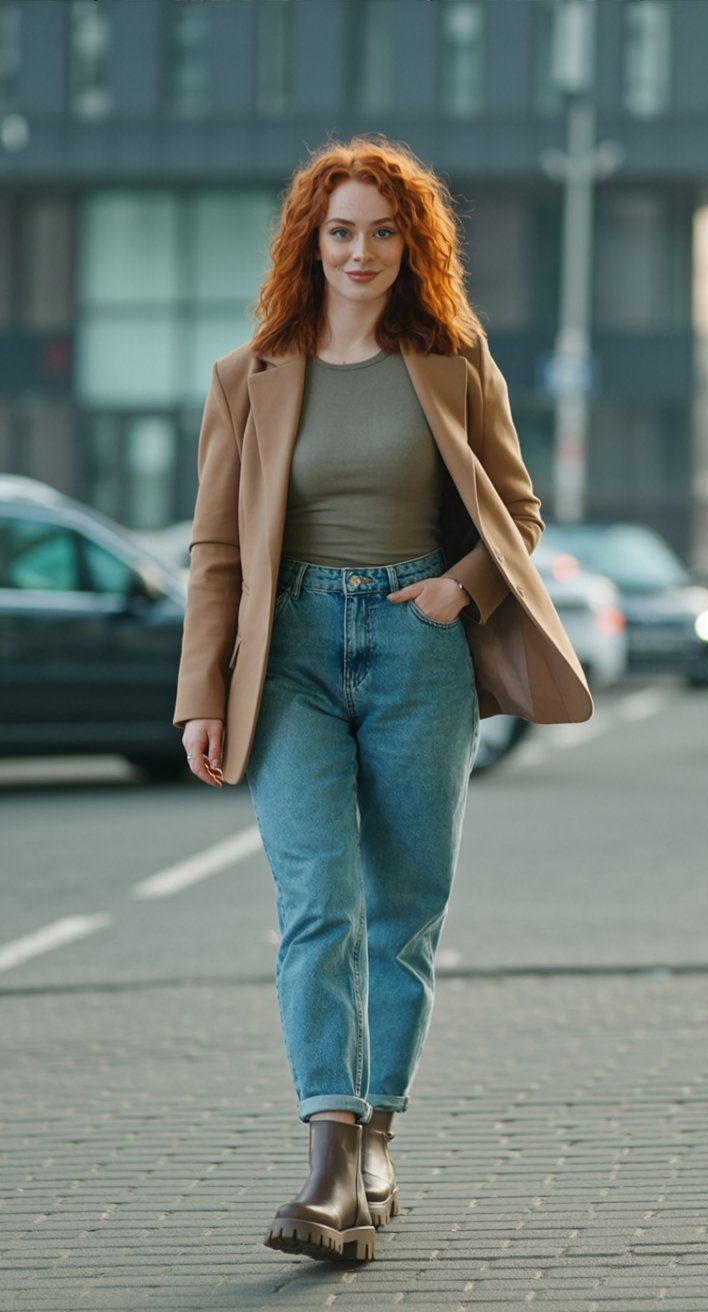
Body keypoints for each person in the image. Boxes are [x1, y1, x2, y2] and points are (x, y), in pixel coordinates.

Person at [173, 133, 593, 1265]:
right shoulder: (248, 377)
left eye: (384, 231)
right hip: (292, 652)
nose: (361, 251)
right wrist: (199, 694)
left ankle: (376, 1141)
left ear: (414, 245)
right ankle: (328, 1159)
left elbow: (517, 510)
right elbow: (215, 550)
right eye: (341, 229)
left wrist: (457, 590)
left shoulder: (455, 362)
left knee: (402, 908)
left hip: (417, 653)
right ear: (311, 241)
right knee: (319, 901)